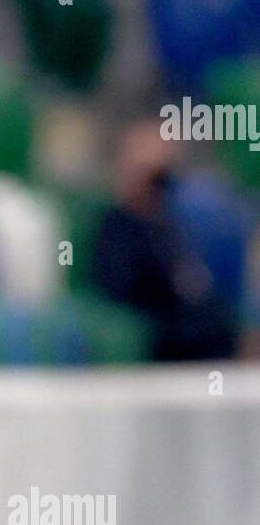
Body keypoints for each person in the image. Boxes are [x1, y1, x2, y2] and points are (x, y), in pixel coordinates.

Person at [92, 122, 239, 362]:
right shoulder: (116, 223)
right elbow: (118, 285)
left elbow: (191, 282)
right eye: (148, 174)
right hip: (148, 320)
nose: (155, 186)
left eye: (161, 177)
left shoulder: (174, 222)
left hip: (185, 320)